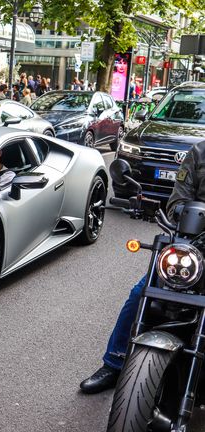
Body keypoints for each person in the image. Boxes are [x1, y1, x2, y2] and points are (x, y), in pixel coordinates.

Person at [79, 140, 205, 394]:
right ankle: (115, 362)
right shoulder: (200, 152)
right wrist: (185, 217)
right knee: (141, 292)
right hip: (195, 246)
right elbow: (176, 202)